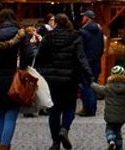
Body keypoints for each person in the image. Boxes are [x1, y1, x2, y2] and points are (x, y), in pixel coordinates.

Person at [35, 12, 93, 150]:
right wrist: (89, 76)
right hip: (70, 80)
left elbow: (39, 58)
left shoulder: (48, 37)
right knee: (69, 108)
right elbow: (81, 58)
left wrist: (42, 72)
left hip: (52, 81)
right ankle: (64, 129)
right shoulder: (75, 37)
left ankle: (55, 142)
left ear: (56, 23)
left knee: (54, 112)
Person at [0, 8, 36, 150]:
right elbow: (28, 55)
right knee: (11, 115)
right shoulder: (21, 34)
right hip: (14, 79)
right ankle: (4, 146)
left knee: (1, 113)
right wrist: (23, 66)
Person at [91, 63, 125, 150]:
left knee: (109, 129)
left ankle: (111, 141)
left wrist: (92, 84)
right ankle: (119, 147)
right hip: (122, 116)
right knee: (118, 131)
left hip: (110, 116)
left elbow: (99, 89)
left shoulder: (109, 87)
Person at [78, 9, 105, 117]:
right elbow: (102, 47)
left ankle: (87, 109)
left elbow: (80, 50)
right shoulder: (99, 31)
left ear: (87, 18)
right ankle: (92, 108)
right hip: (96, 62)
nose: (82, 19)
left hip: (86, 63)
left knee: (86, 86)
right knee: (94, 85)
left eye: (83, 17)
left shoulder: (83, 32)